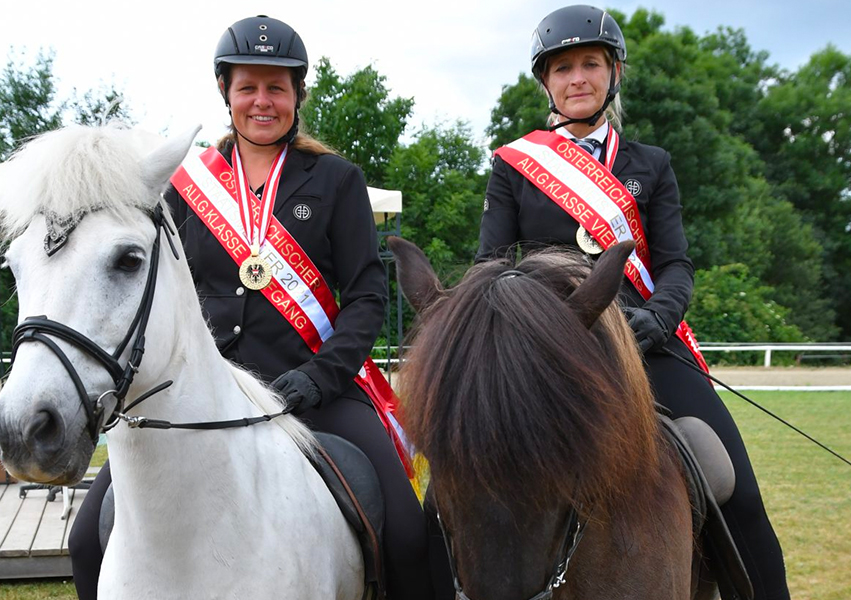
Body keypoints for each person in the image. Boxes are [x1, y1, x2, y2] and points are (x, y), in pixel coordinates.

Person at [69, 15, 436, 600]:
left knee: (410, 536)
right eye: (248, 87)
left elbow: (366, 295)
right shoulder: (186, 188)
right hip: (197, 395)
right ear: (225, 92)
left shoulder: (338, 180)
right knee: (86, 541)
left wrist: (319, 378)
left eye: (277, 87)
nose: (262, 101)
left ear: (297, 95)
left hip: (317, 390)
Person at [475, 5, 791, 600]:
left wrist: (655, 319)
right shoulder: (514, 166)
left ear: (613, 71)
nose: (577, 79)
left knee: (740, 492)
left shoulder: (651, 164)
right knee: (460, 485)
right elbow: (490, 266)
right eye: (562, 68)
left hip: (647, 346)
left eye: (590, 64)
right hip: (551, 357)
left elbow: (675, 264)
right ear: (546, 81)